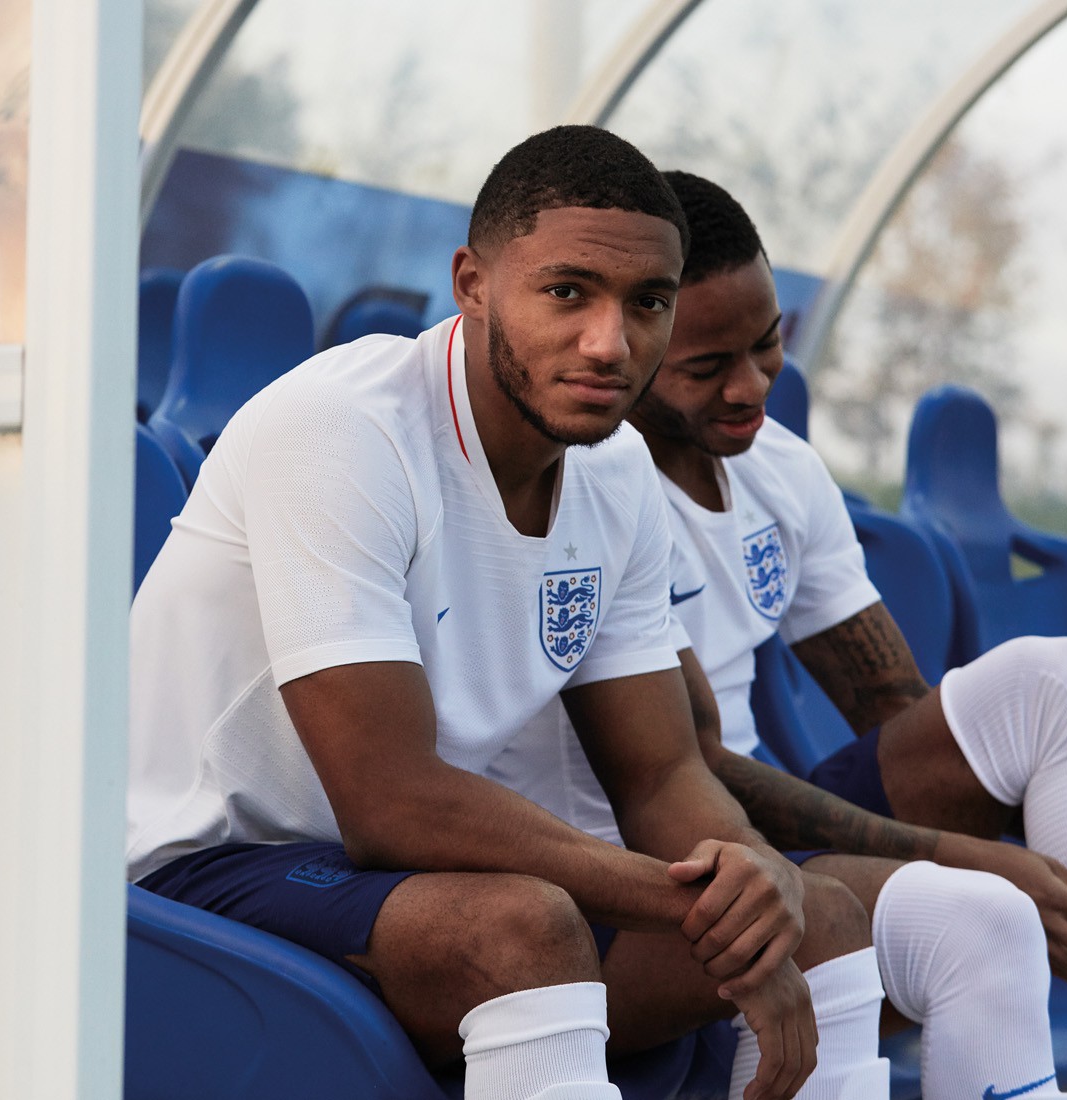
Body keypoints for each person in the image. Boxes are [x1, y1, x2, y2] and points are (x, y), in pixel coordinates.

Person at [127, 127, 892, 1100]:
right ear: (473, 282)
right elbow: (391, 800)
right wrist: (696, 894)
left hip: (389, 879)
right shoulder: (343, 428)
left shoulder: (616, 471)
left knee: (819, 914)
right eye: (568, 291)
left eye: (647, 302)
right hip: (204, 871)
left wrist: (753, 877)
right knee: (522, 926)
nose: (611, 342)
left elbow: (659, 771)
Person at [490, 168, 1067, 1100]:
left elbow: (898, 709)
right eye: (707, 365)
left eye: (767, 348)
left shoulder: (784, 471)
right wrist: (977, 860)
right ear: (637, 349)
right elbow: (687, 768)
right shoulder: (587, 484)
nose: (750, 385)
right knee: (980, 911)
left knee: (1054, 681)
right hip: (643, 861)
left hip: (755, 830)